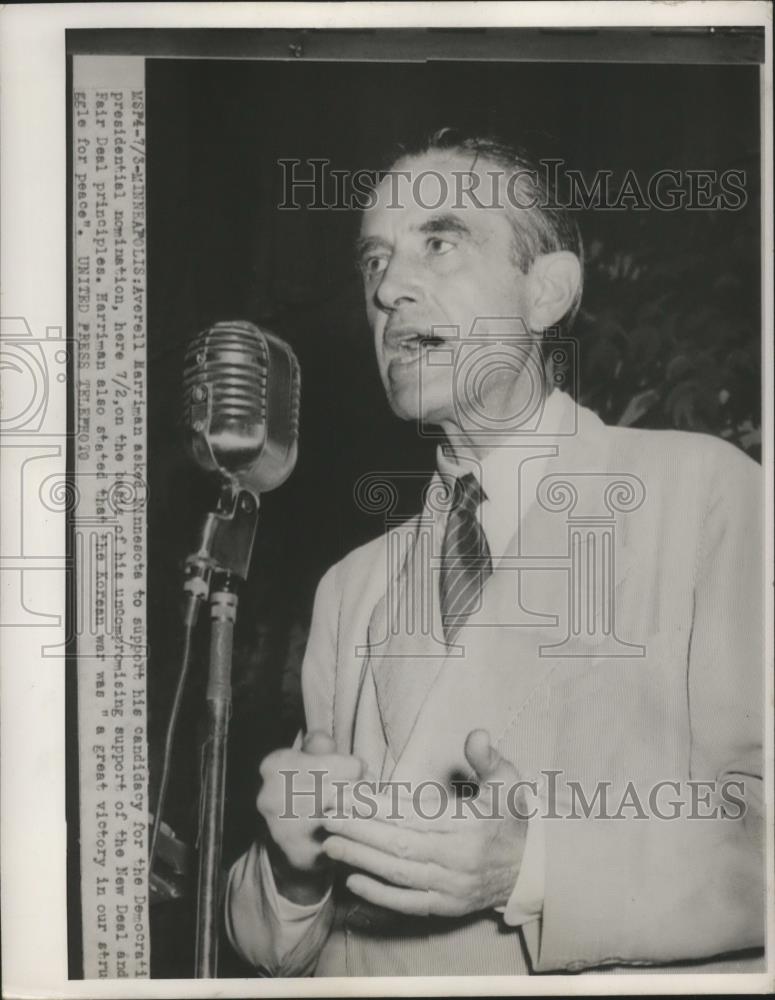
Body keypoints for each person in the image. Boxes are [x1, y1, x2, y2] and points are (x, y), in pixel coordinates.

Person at [225, 129, 764, 976]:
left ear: (546, 293)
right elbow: (283, 944)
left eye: (439, 243)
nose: (388, 289)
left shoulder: (702, 494)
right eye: (374, 261)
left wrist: (534, 868)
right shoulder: (352, 586)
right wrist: (291, 873)